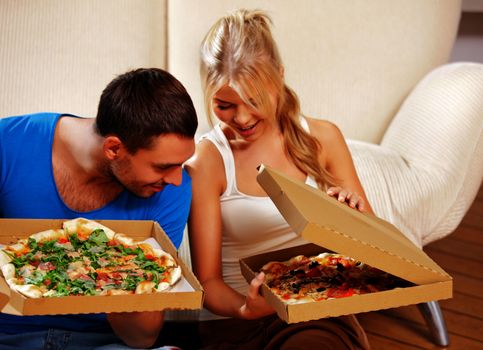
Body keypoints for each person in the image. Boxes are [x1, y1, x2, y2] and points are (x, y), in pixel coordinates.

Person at [186, 9, 373, 350]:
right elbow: (208, 282)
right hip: (236, 322)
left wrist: (353, 216)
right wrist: (245, 308)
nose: (241, 118)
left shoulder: (324, 138)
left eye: (254, 100)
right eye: (225, 105)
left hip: (313, 314)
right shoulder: (208, 161)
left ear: (280, 78)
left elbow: (373, 252)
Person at [0, 68, 197, 349]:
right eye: (163, 166)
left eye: (182, 162)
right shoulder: (9, 143)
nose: (177, 179)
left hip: (102, 344)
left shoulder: (170, 191)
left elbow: (143, 337)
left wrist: (113, 275)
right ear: (114, 148)